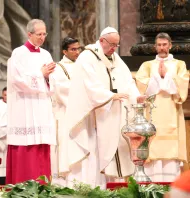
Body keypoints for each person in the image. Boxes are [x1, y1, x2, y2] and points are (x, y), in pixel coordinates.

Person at [59, 27, 146, 188]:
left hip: (109, 113)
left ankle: (110, 186)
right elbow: (90, 85)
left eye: (117, 45)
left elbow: (127, 81)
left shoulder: (114, 58)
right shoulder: (87, 57)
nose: (114, 48)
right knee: (93, 152)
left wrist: (136, 96)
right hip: (91, 115)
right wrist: (110, 96)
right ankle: (89, 188)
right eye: (112, 44)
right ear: (101, 41)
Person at [6, 19, 56, 184]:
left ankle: (43, 186)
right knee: (26, 148)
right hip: (24, 106)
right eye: (39, 34)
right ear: (29, 34)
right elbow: (17, 81)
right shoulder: (18, 54)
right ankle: (22, 185)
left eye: (44, 34)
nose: (42, 37)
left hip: (41, 107)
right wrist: (40, 73)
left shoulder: (46, 54)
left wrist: (48, 78)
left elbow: (53, 82)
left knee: (42, 145)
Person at [135, 32, 190, 182]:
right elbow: (141, 88)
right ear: (155, 46)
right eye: (159, 45)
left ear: (170, 45)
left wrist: (166, 76)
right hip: (152, 112)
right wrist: (158, 78)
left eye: (165, 45)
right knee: (152, 148)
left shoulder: (179, 64)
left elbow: (182, 89)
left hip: (171, 111)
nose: (162, 48)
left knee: (170, 152)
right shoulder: (146, 66)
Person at [49, 37, 81, 184]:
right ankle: (63, 182)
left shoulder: (83, 65)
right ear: (64, 51)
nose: (77, 52)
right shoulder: (58, 68)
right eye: (73, 49)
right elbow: (62, 91)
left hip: (83, 114)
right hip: (64, 113)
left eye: (78, 48)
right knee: (65, 146)